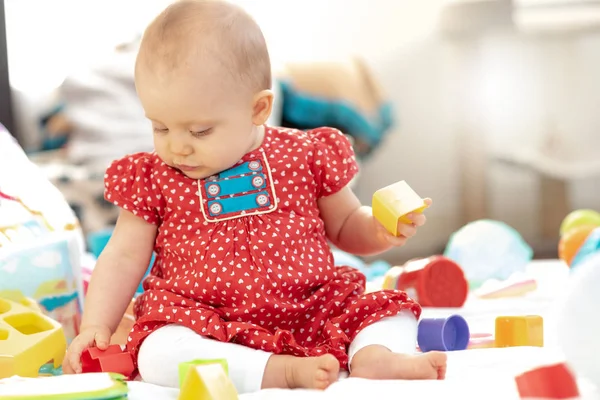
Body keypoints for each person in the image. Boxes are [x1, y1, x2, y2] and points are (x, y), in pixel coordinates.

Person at [63, 0, 447, 393]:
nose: (177, 147)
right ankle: (272, 370)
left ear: (259, 108)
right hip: (205, 319)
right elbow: (124, 255)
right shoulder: (155, 177)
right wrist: (97, 326)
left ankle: (374, 354)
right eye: (160, 127)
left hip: (309, 306)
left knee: (390, 309)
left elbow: (347, 224)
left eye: (198, 132)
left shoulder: (304, 154)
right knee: (156, 354)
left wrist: (380, 230)